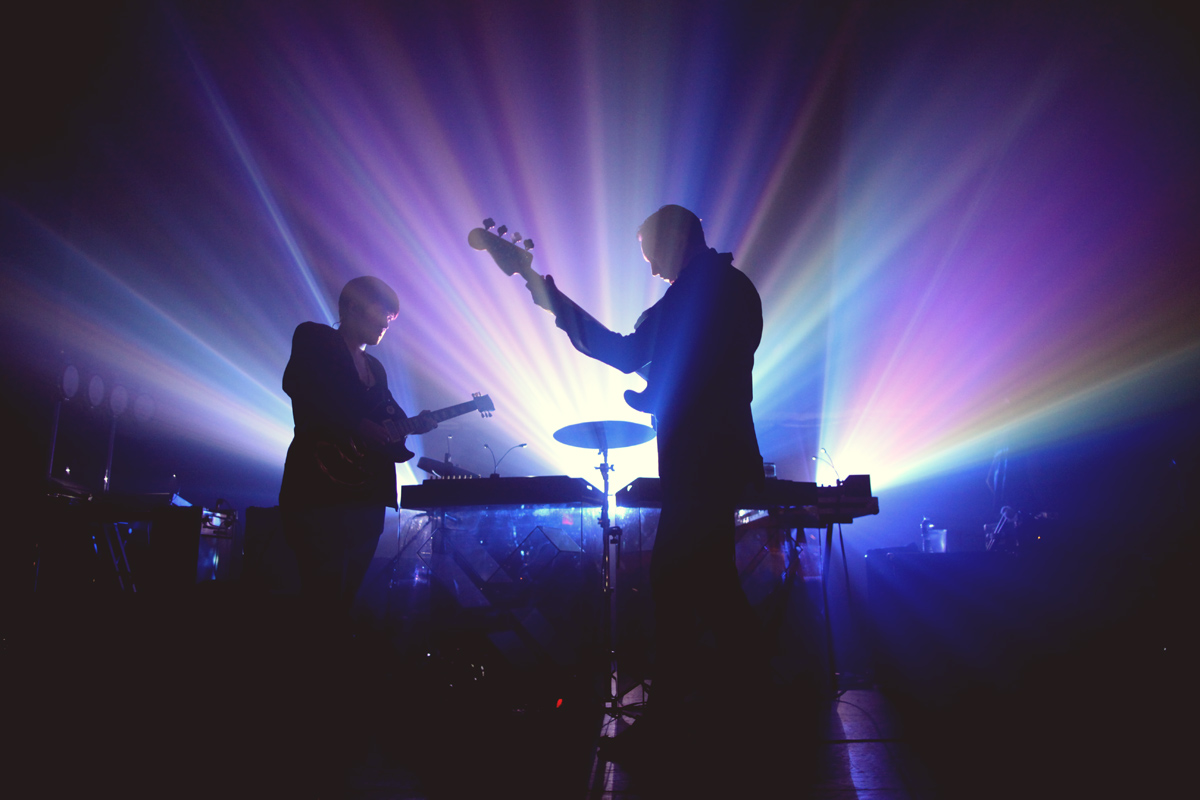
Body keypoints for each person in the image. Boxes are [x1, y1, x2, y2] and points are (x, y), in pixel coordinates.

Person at [527, 205, 766, 757]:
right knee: (712, 586)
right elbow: (691, 364)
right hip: (721, 458)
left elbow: (628, 352)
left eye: (652, 255)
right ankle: (751, 709)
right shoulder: (731, 288)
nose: (653, 270)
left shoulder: (693, 294)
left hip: (702, 459)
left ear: (676, 238)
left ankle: (672, 725)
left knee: (675, 583)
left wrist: (555, 304)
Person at [279, 275, 437, 621]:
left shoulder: (376, 369)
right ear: (352, 305)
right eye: (382, 313)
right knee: (319, 595)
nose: (385, 324)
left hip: (366, 495)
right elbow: (297, 384)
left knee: (345, 599)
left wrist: (410, 427)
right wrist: (355, 424)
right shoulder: (315, 338)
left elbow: (386, 422)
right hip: (317, 487)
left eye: (391, 320)